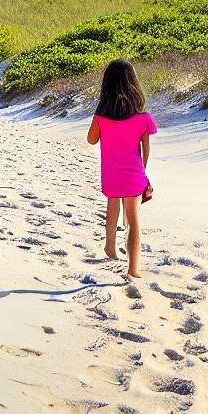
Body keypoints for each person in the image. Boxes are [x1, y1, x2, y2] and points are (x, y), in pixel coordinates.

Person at [87, 59, 156, 278]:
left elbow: (91, 140)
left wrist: (101, 122)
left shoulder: (101, 117)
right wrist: (142, 173)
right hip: (134, 174)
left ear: (107, 85)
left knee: (112, 205)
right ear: (133, 83)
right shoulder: (144, 117)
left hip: (111, 174)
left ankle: (110, 246)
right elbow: (146, 151)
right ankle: (133, 268)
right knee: (134, 221)